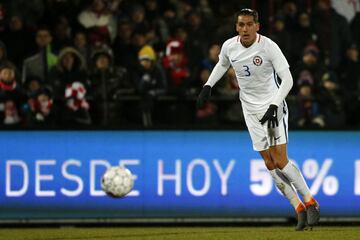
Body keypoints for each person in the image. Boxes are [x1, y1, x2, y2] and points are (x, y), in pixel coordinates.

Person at [197, 8, 320, 231]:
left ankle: (311, 201)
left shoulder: (268, 47)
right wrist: (208, 86)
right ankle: (298, 208)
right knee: (269, 163)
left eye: (248, 25)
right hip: (250, 109)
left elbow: (289, 80)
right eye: (241, 25)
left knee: (281, 159)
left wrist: (274, 105)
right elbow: (223, 63)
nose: (244, 29)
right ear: (236, 27)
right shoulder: (229, 46)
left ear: (257, 26)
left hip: (273, 106)